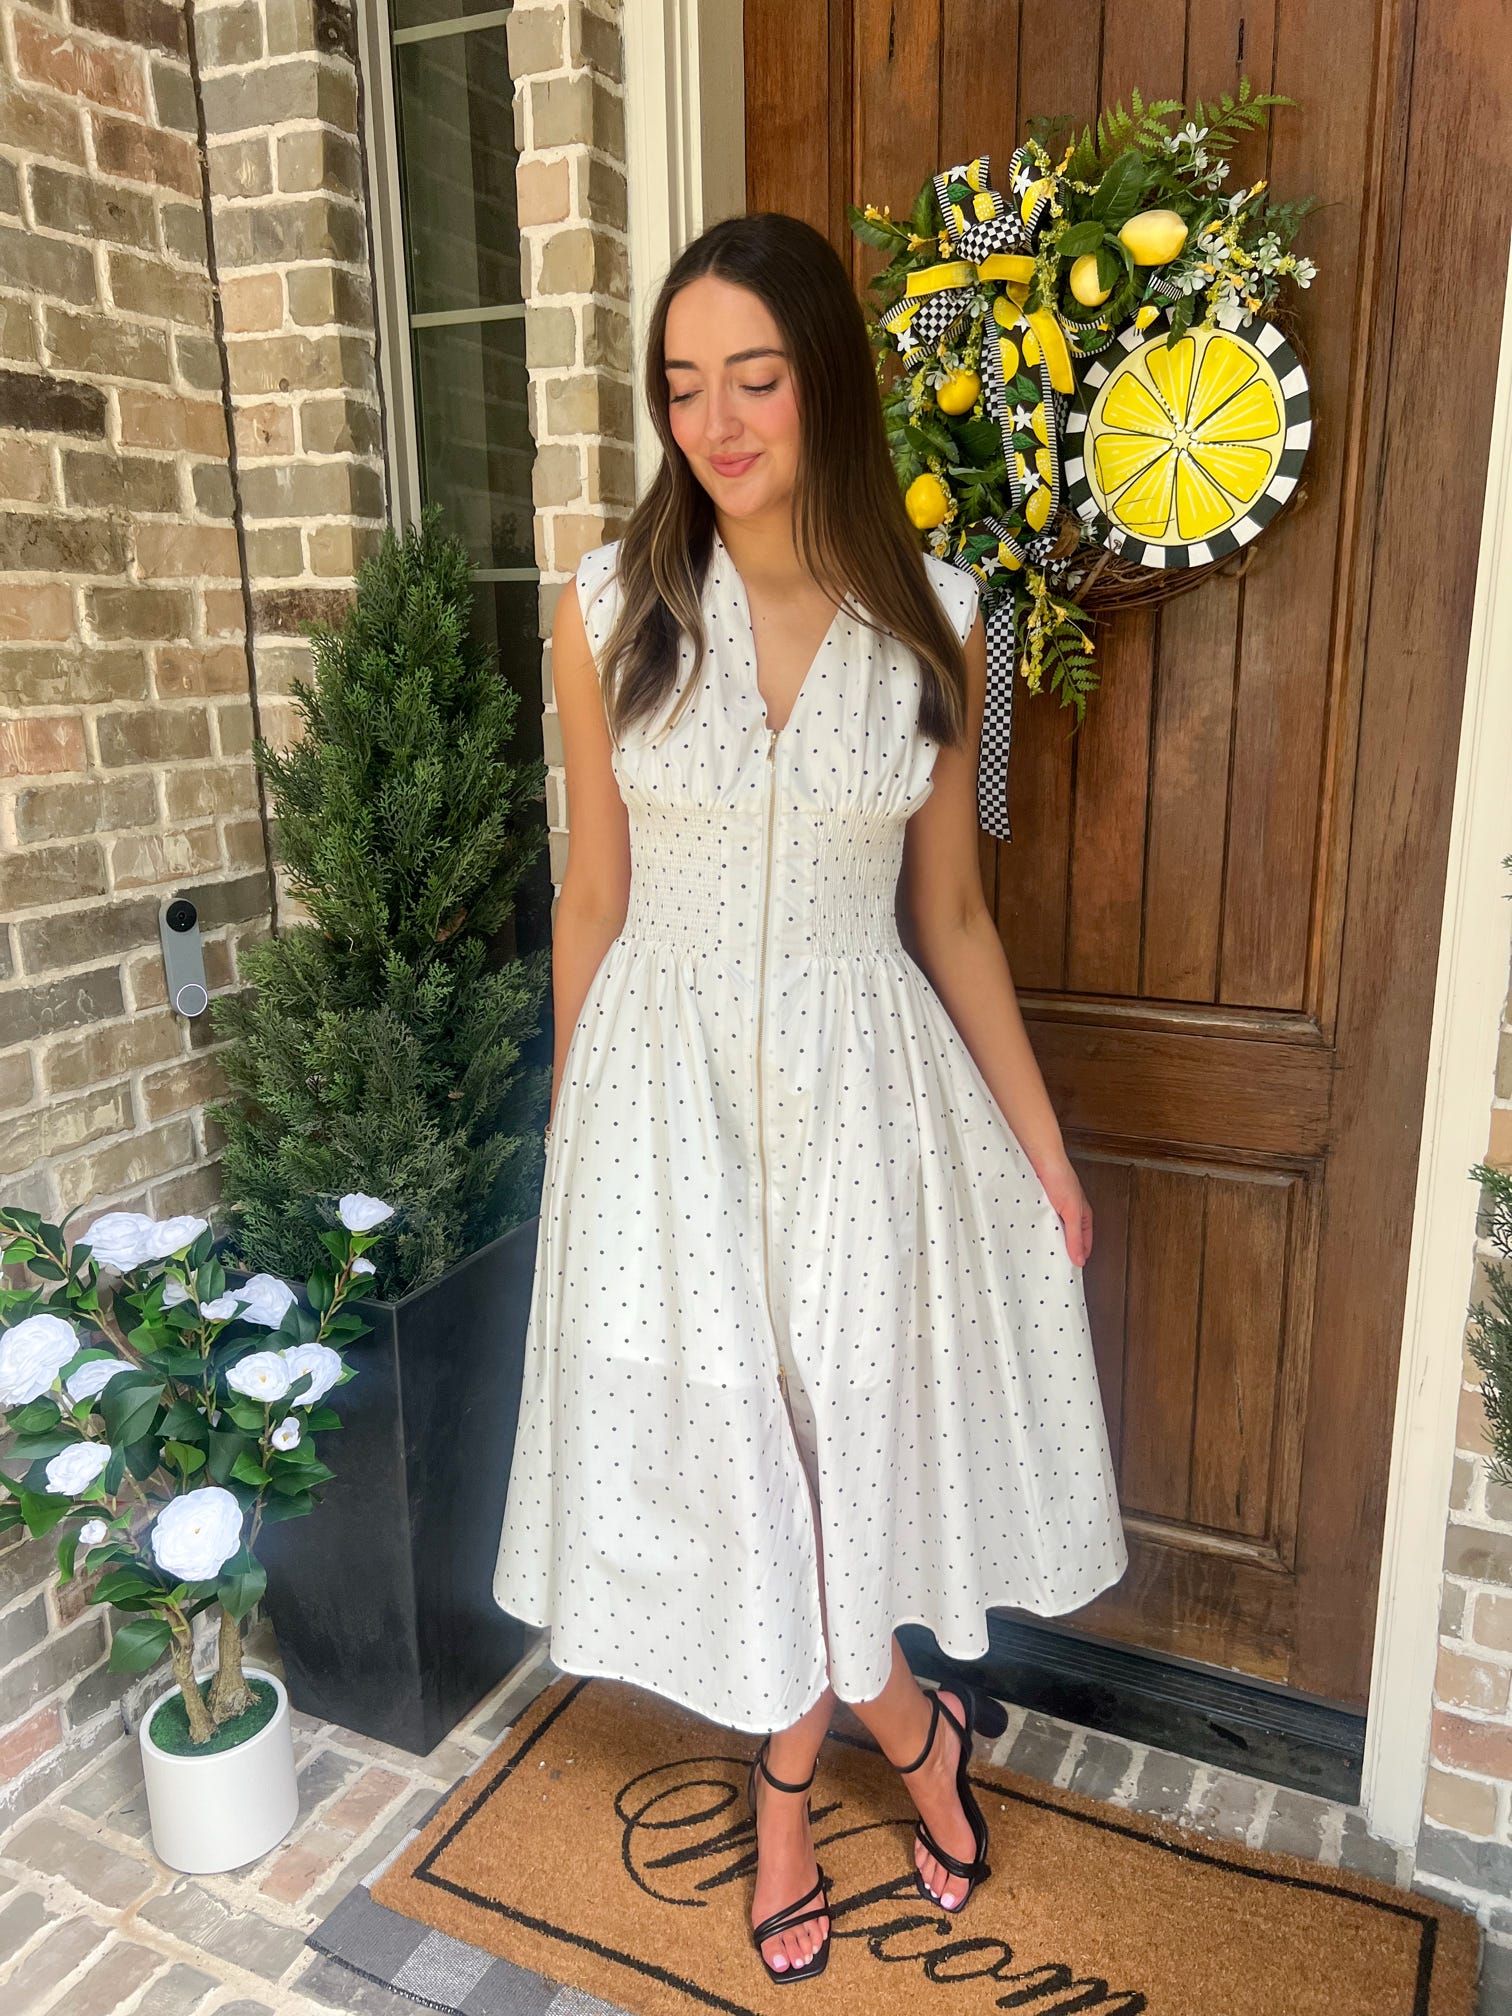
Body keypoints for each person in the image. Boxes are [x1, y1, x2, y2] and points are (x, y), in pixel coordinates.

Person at [492, 210, 1128, 1985]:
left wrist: (1044, 1148)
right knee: (744, 1479)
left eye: (754, 376)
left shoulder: (946, 620)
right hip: (666, 1113)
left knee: (835, 1478)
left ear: (822, 382)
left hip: (865, 1113)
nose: (718, 419)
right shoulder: (606, 610)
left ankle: (836, 1777)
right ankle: (907, 1745)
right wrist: (577, 1132)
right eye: (684, 385)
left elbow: (955, 918)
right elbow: (595, 898)